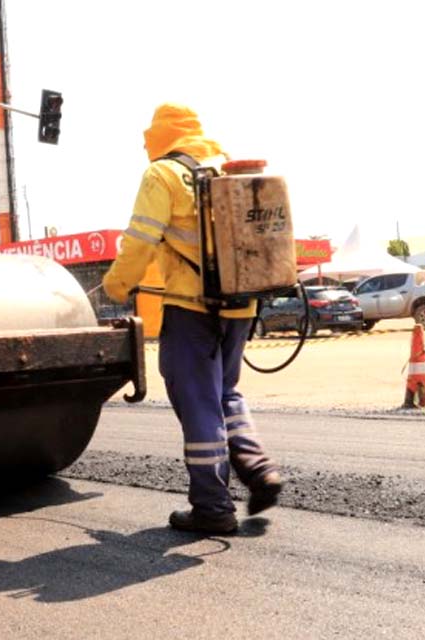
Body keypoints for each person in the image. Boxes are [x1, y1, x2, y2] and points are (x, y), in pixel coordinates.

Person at [102, 103, 282, 535]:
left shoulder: (163, 174)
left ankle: (212, 507)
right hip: (241, 304)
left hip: (191, 307)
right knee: (225, 392)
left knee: (198, 400)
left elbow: (141, 240)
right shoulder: (225, 168)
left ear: (158, 137)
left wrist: (116, 285)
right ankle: (258, 468)